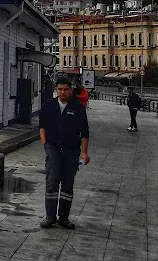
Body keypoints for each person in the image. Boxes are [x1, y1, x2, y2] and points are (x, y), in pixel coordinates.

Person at [39, 75, 90, 230]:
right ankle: (50, 216)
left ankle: (64, 217)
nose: (62, 92)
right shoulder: (48, 106)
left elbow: (85, 132)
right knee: (52, 181)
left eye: (66, 89)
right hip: (53, 148)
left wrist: (84, 153)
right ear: (56, 90)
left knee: (67, 183)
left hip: (71, 150)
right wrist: (45, 144)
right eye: (59, 89)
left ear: (70, 90)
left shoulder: (78, 108)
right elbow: (42, 126)